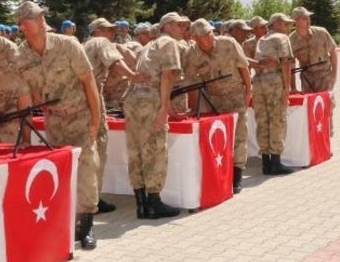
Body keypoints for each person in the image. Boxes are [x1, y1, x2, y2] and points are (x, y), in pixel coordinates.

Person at [16, 1, 103, 249]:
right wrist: (26, 136)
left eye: (42, 15)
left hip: (81, 115)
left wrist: (95, 120)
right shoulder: (20, 55)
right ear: (22, 26)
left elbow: (89, 82)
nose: (42, 20)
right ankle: (64, 223)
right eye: (34, 17)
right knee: (61, 171)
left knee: (85, 171)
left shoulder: (68, 45)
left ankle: (85, 228)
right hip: (54, 121)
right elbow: (24, 96)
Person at [124, 12, 186, 219]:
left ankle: (141, 204)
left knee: (136, 150)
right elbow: (168, 75)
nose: (181, 29)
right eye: (179, 25)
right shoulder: (168, 43)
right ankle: (154, 202)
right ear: (168, 26)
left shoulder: (148, 45)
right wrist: (164, 108)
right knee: (154, 148)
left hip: (133, 99)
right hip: (150, 100)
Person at [183, 18, 253, 193]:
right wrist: (193, 108)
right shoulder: (192, 53)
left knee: (238, 135)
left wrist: (248, 91)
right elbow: (192, 81)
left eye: (209, 34)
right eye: (202, 37)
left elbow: (243, 66)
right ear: (195, 38)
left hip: (235, 95)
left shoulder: (228, 44)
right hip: (212, 99)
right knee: (215, 137)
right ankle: (219, 172)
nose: (208, 39)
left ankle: (237, 177)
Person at [84, 18, 145, 213]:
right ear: (99, 31)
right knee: (98, 149)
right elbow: (115, 62)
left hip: (79, 99)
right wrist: (133, 75)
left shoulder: (84, 45)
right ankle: (94, 200)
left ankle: (88, 197)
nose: (113, 34)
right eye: (109, 30)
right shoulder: (102, 43)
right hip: (93, 97)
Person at [252, 13, 295, 175]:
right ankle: (276, 162)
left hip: (259, 81)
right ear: (277, 23)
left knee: (262, 120)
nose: (287, 28)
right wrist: (287, 88)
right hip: (274, 81)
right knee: (277, 118)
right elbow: (285, 62)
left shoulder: (262, 39)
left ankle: (266, 162)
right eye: (286, 24)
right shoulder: (282, 38)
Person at [289, 7, 337, 93]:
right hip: (307, 79)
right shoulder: (291, 41)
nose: (308, 20)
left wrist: (334, 75)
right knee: (310, 105)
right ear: (295, 21)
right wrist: (293, 88)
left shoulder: (321, 33)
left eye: (309, 17)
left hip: (325, 77)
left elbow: (333, 52)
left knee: (326, 105)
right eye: (304, 18)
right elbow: (290, 67)